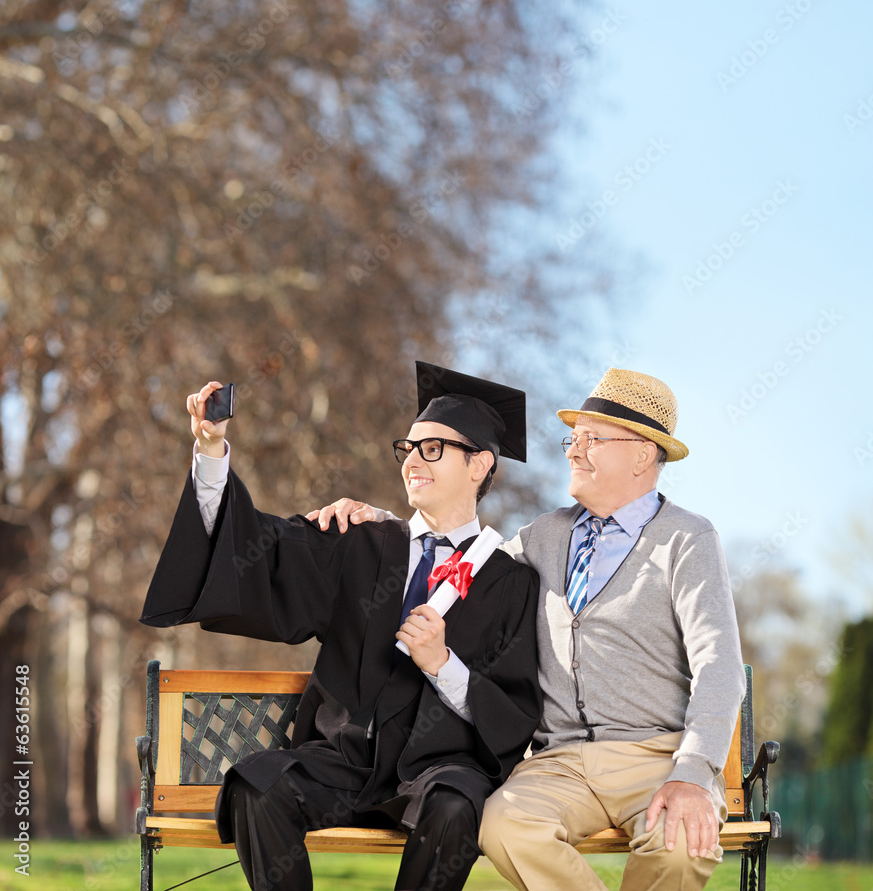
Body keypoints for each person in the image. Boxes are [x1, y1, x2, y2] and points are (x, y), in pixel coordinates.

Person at [311, 368, 746, 891]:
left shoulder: (687, 539)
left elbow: (719, 666)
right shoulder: (544, 535)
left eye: (592, 438)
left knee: (677, 851)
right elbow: (462, 555)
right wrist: (389, 525)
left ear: (642, 454)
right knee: (503, 826)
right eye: (573, 438)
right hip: (558, 763)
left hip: (655, 755)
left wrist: (693, 772)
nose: (573, 450)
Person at [139, 362, 541, 891]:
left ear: (479, 464)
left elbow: (513, 712)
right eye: (409, 448)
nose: (413, 461)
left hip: (439, 769)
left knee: (455, 805)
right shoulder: (362, 542)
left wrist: (443, 665)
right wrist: (212, 452)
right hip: (346, 760)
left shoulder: (509, 581)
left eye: (433, 449)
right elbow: (263, 550)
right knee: (255, 785)